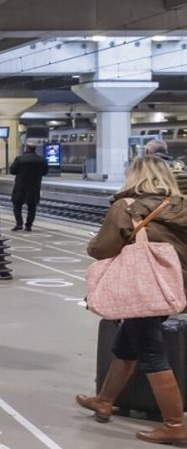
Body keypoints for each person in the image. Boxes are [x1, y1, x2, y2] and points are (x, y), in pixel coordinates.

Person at [77, 156, 187, 444]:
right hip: (172, 285)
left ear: (134, 176)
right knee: (127, 343)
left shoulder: (126, 206)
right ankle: (104, 400)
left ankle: (175, 424)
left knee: (151, 351)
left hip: (141, 286)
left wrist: (93, 244)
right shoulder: (182, 205)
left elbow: (103, 248)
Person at [9, 143, 49, 232]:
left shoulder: (20, 159)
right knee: (32, 206)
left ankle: (19, 224)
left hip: (20, 186)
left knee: (17, 204)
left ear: (26, 148)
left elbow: (12, 170)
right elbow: (45, 172)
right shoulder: (42, 160)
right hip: (34, 186)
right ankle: (28, 225)